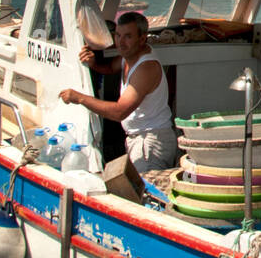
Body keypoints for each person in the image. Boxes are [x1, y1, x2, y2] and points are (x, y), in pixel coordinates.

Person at [59, 11, 178, 173]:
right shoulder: (129, 56)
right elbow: (109, 68)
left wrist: (79, 98)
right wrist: (93, 63)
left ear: (142, 39)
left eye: (128, 37)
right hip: (140, 140)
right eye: (118, 35)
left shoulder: (145, 68)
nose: (121, 43)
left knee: (146, 192)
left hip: (150, 143)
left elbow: (119, 112)